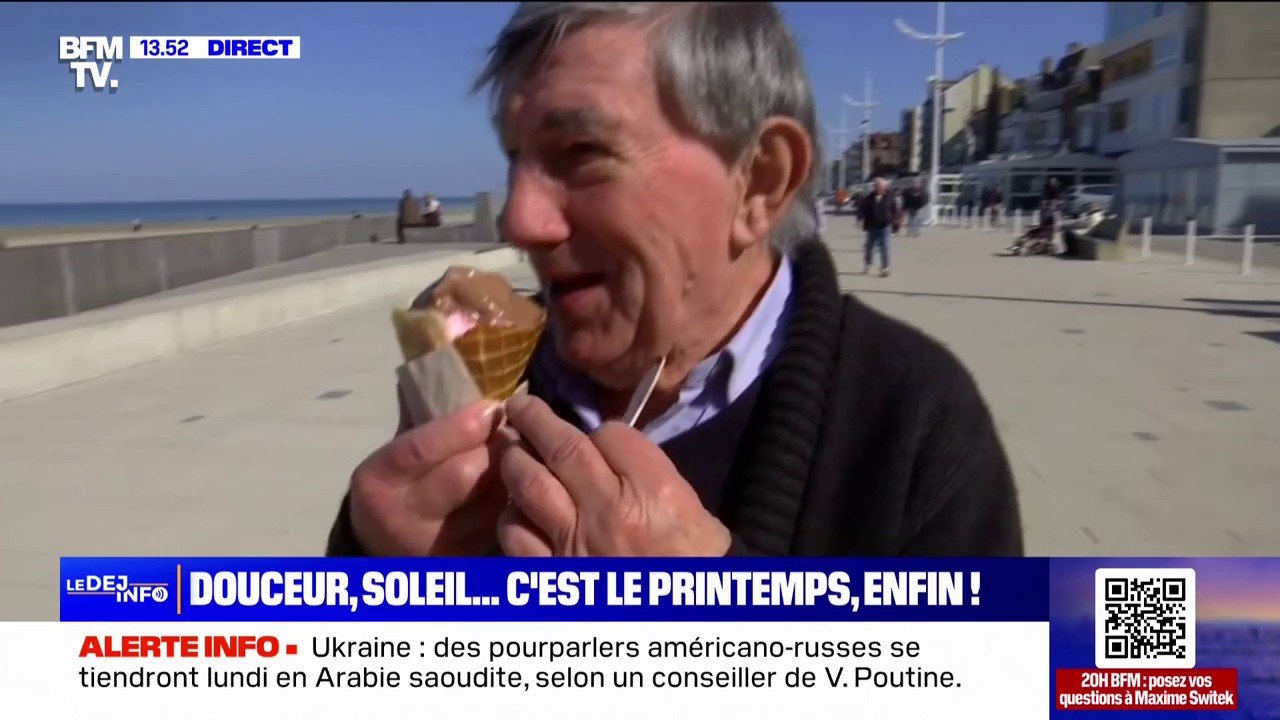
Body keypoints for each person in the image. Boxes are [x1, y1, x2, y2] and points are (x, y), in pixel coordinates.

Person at [326, 2, 1022, 558]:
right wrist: (372, 568)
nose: (519, 219)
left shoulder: (916, 421)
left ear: (760, 181)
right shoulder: (496, 391)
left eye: (582, 152)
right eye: (517, 160)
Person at [857, 177, 899, 277]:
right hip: (872, 226)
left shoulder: (890, 197)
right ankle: (868, 264)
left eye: (881, 186)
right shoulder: (869, 197)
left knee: (885, 247)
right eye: (877, 186)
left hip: (885, 226)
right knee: (869, 247)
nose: (878, 188)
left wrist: (895, 222)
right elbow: (863, 209)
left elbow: (895, 210)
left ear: (885, 187)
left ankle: (885, 268)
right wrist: (860, 219)